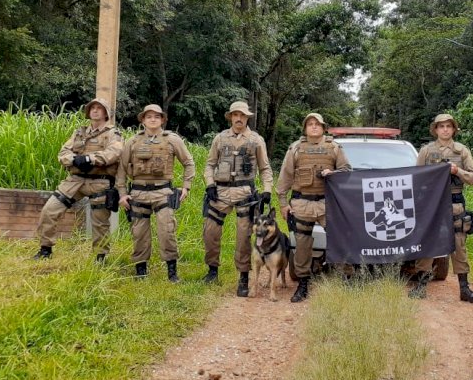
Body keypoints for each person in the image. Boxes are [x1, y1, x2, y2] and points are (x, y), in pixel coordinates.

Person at [33, 97, 123, 261]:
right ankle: (45, 250)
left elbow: (113, 153)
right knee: (50, 210)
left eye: (99, 108)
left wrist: (89, 159)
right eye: (92, 108)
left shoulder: (112, 134)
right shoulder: (79, 133)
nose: (95, 110)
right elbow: (63, 153)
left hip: (100, 181)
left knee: (100, 222)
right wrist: (74, 160)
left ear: (106, 113)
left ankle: (100, 257)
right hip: (75, 180)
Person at [276, 113, 351, 303]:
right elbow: (285, 177)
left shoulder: (334, 148)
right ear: (305, 128)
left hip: (328, 204)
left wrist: (332, 173)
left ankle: (346, 278)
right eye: (310, 124)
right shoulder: (296, 148)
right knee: (302, 244)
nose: (314, 127)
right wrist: (283, 203)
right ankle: (303, 283)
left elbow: (347, 172)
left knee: (340, 239)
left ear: (323, 128)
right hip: (302, 204)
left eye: (317, 124)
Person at [408, 113, 473, 303]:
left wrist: (458, 171)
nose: (445, 129)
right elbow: (416, 178)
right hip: (432, 203)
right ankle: (421, 285)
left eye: (449, 126)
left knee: (459, 245)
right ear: (436, 129)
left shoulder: (461, 151)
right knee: (428, 243)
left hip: (454, 202)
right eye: (441, 127)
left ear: (454, 129)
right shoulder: (426, 151)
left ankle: (464, 289)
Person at [117, 104, 195, 282]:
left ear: (162, 119)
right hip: (138, 193)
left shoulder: (172, 140)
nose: (153, 119)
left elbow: (188, 162)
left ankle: (172, 273)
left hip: (163, 192)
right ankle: (141, 272)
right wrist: (122, 193)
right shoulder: (133, 141)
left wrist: (186, 186)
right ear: (143, 120)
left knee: (167, 232)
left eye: (157, 116)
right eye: (149, 116)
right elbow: (121, 169)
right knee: (139, 234)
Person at [202, 101, 273, 294]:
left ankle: (243, 276)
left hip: (244, 193)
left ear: (247, 118)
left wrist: (267, 189)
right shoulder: (220, 138)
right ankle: (212, 270)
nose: (239, 118)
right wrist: (209, 184)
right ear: (231, 117)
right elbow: (209, 164)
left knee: (243, 236)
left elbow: (265, 168)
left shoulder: (256, 140)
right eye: (235, 115)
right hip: (220, 192)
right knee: (210, 232)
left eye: (242, 115)